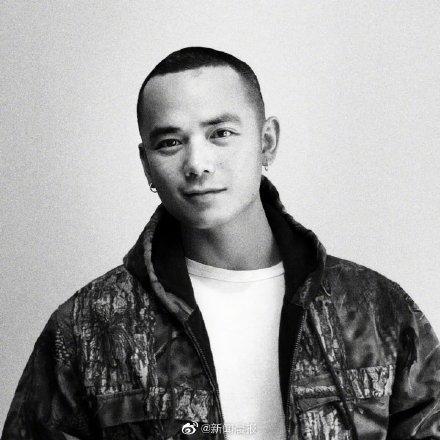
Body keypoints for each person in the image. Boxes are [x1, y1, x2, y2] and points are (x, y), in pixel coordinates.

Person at [2, 47, 440, 440]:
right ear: (146, 165)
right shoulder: (88, 326)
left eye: (221, 134)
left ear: (266, 142)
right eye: (170, 142)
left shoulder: (376, 309)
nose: (197, 163)